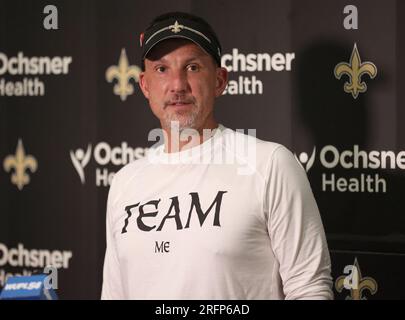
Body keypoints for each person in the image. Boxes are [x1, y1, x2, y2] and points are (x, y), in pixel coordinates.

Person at [101, 11, 333, 300]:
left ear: (220, 80)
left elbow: (309, 288)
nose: (177, 85)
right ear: (145, 85)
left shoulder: (270, 164)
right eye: (162, 69)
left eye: (193, 67)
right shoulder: (125, 182)